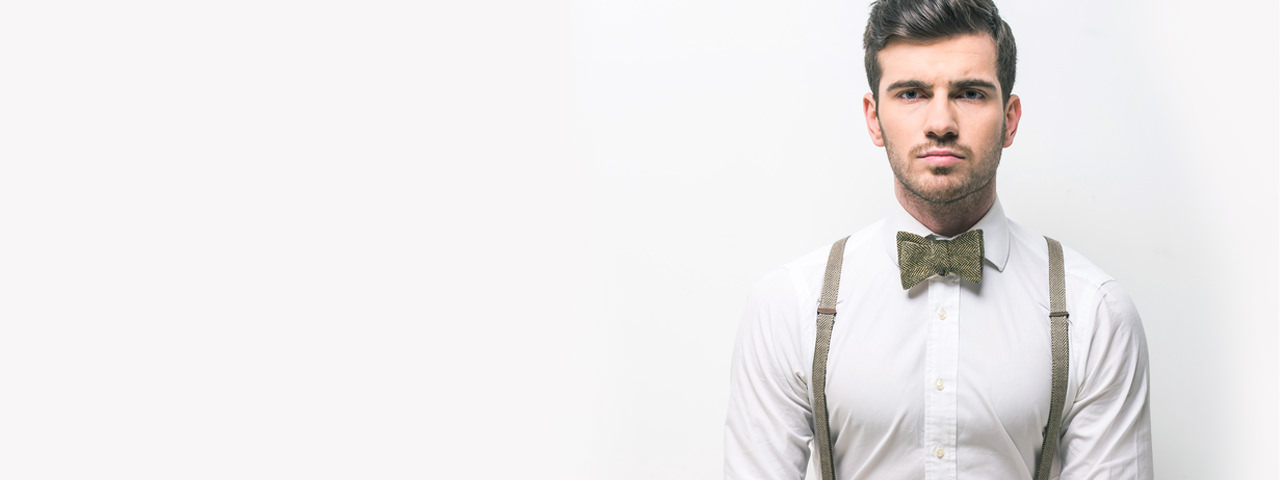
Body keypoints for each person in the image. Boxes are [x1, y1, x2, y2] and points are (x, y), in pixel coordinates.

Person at [723, 0, 1153, 478]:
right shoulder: (790, 306)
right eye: (912, 93)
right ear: (873, 118)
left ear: (1010, 119)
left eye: (970, 93)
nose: (941, 122)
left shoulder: (1095, 312)